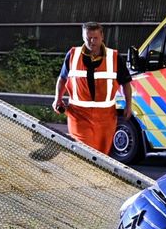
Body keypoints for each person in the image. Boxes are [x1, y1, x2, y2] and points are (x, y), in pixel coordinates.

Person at [52, 22, 133, 154]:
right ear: (83, 37)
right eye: (88, 38)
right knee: (82, 154)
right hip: (78, 116)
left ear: (102, 36)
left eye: (95, 38)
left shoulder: (114, 57)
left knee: (102, 155)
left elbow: (126, 83)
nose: (92, 41)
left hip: (106, 118)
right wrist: (58, 98)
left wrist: (128, 105)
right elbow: (62, 79)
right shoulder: (73, 55)